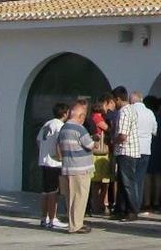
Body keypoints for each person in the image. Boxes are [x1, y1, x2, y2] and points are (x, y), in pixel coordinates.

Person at [114, 86, 155, 219]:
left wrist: (112, 140)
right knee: (136, 180)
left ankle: (131, 209)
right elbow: (155, 130)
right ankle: (130, 207)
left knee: (127, 182)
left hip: (127, 149)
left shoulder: (125, 111)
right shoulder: (143, 112)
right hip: (141, 149)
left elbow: (123, 135)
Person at [57, 98, 96, 235]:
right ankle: (76, 225)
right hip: (80, 168)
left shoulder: (63, 128)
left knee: (70, 198)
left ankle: (72, 223)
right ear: (81, 116)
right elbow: (90, 145)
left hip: (67, 167)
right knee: (80, 197)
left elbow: (58, 147)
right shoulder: (80, 129)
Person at [36, 101, 70, 230]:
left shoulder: (47, 124)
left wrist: (44, 152)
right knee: (53, 192)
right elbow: (59, 143)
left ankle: (43, 218)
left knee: (45, 192)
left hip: (44, 161)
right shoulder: (60, 126)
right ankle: (53, 218)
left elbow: (38, 140)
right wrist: (60, 157)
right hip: (54, 163)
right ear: (65, 113)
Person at [89, 94, 117, 219]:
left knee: (102, 181)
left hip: (104, 152)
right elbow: (108, 129)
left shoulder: (96, 116)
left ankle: (100, 204)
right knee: (99, 181)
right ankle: (98, 205)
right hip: (101, 152)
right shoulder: (97, 117)